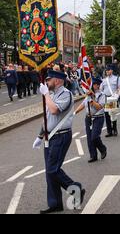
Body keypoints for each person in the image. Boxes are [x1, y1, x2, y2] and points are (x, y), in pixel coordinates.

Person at [32, 70, 84, 214]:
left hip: (61, 136)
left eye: (49, 80)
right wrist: (40, 136)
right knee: (49, 172)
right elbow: (47, 118)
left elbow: (54, 110)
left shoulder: (66, 94)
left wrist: (46, 95)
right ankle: (55, 203)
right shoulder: (53, 94)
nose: (47, 82)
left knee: (52, 169)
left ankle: (75, 188)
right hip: (50, 137)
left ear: (58, 81)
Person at [75, 78, 107, 163]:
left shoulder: (102, 95)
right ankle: (93, 155)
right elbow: (83, 104)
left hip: (98, 117)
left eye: (93, 85)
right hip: (88, 118)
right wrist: (75, 112)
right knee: (89, 138)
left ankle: (102, 148)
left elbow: (99, 107)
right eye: (92, 85)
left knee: (95, 137)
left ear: (97, 85)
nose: (92, 86)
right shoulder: (88, 96)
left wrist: (92, 99)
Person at [101, 65, 120, 137]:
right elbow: (101, 89)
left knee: (113, 114)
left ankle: (115, 129)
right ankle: (109, 131)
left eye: (108, 70)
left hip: (113, 98)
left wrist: (117, 96)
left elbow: (119, 88)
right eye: (106, 70)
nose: (107, 71)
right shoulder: (104, 80)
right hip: (107, 98)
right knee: (107, 115)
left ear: (111, 71)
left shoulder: (116, 78)